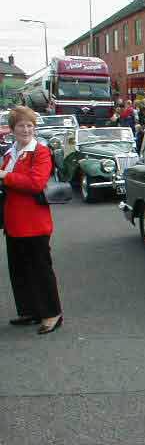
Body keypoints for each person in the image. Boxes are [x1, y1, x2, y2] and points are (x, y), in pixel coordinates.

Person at [0, 107, 62, 335]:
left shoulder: (41, 152)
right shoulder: (9, 153)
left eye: (29, 126)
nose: (25, 130)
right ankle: (30, 311)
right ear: (12, 129)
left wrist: (6, 176)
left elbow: (35, 183)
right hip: (13, 221)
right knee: (19, 270)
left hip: (34, 222)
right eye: (21, 126)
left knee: (40, 270)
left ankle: (52, 313)